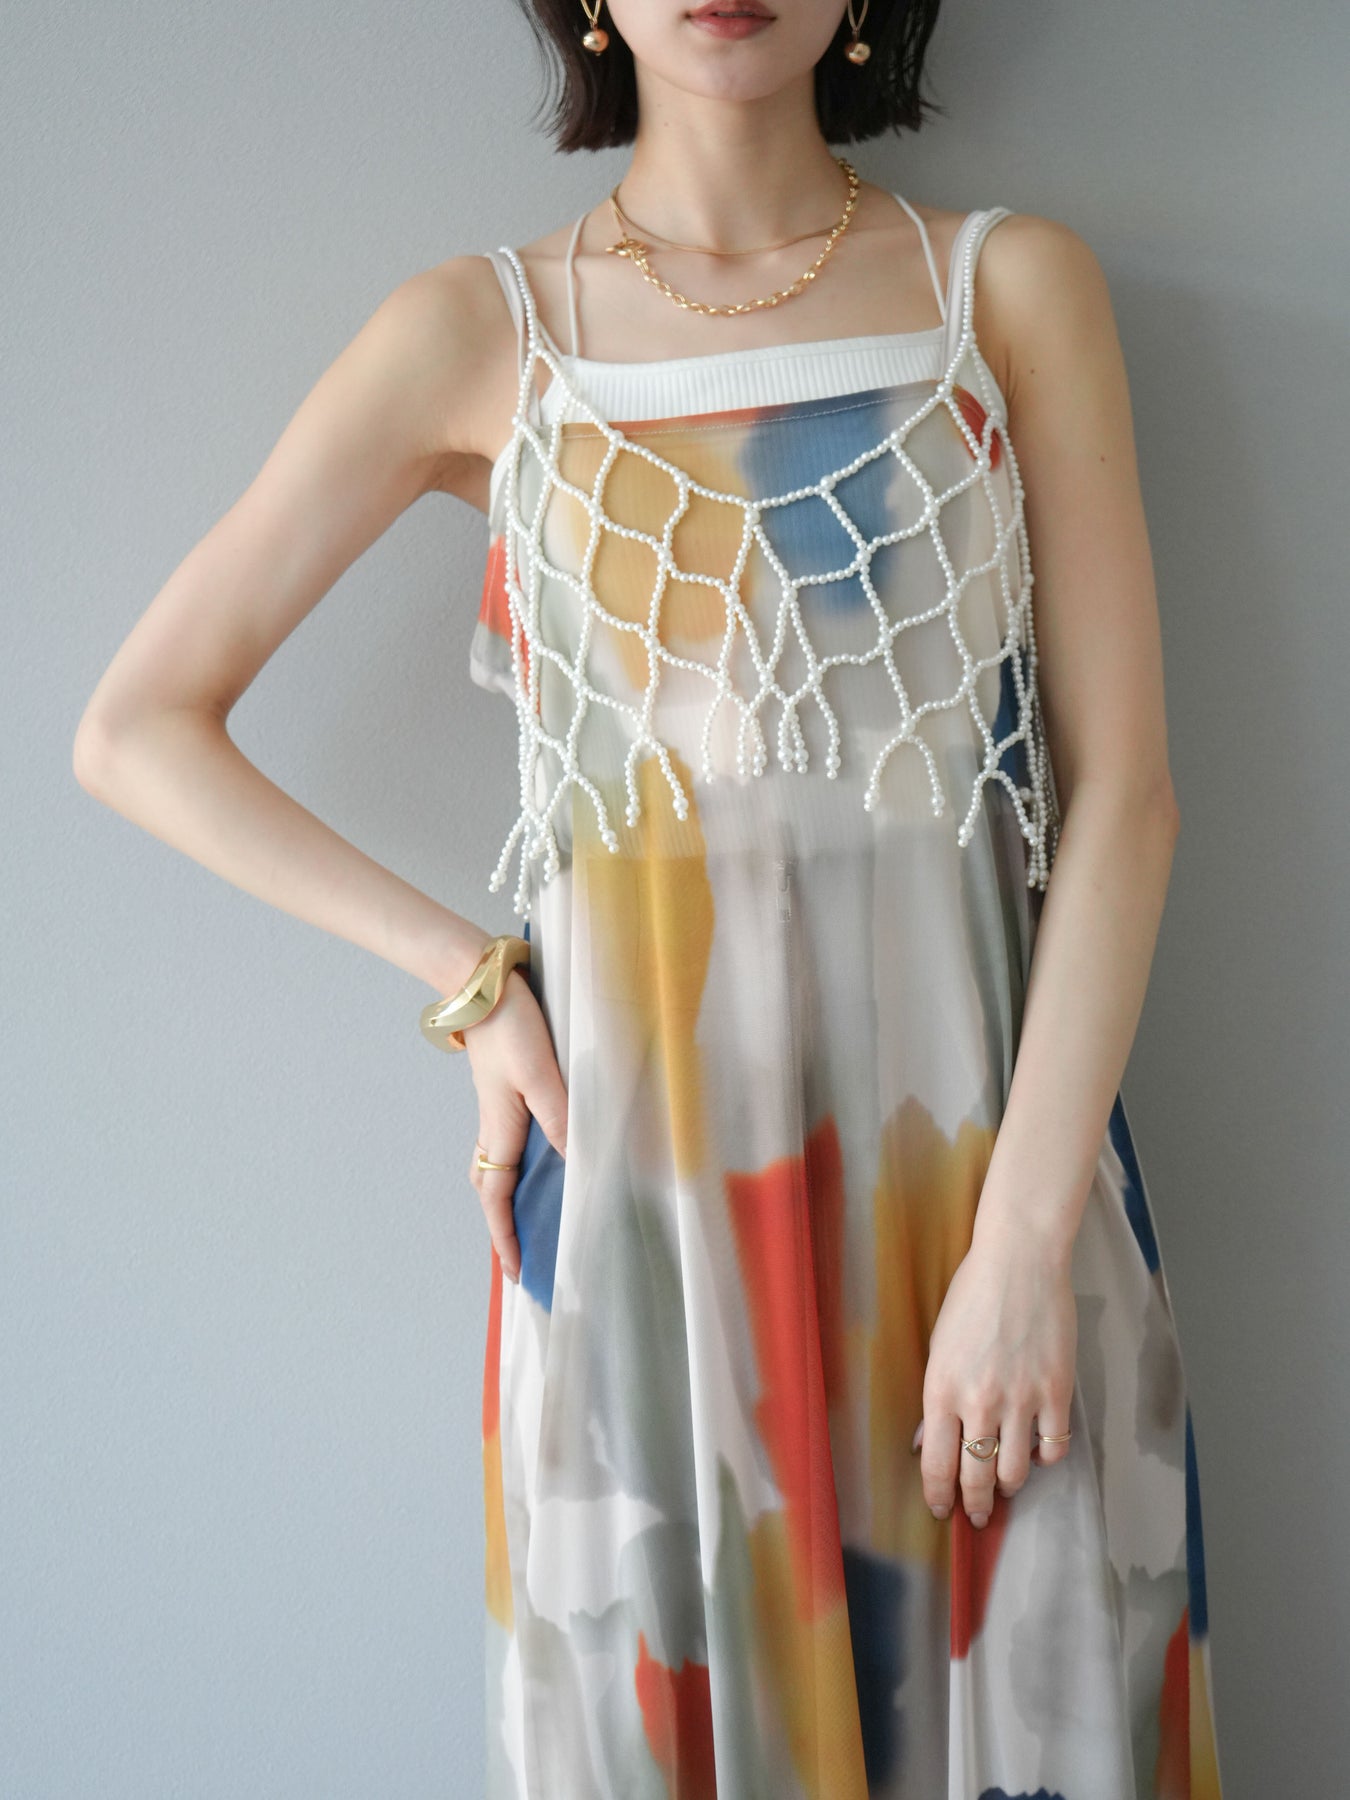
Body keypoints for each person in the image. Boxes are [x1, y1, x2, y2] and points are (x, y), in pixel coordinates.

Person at [73, 0, 1224, 1793]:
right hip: (646, 1253)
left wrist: (1020, 1252)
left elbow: (1126, 803)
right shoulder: (481, 333)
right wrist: (468, 977)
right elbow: (137, 729)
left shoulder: (1003, 291)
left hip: (996, 1229)